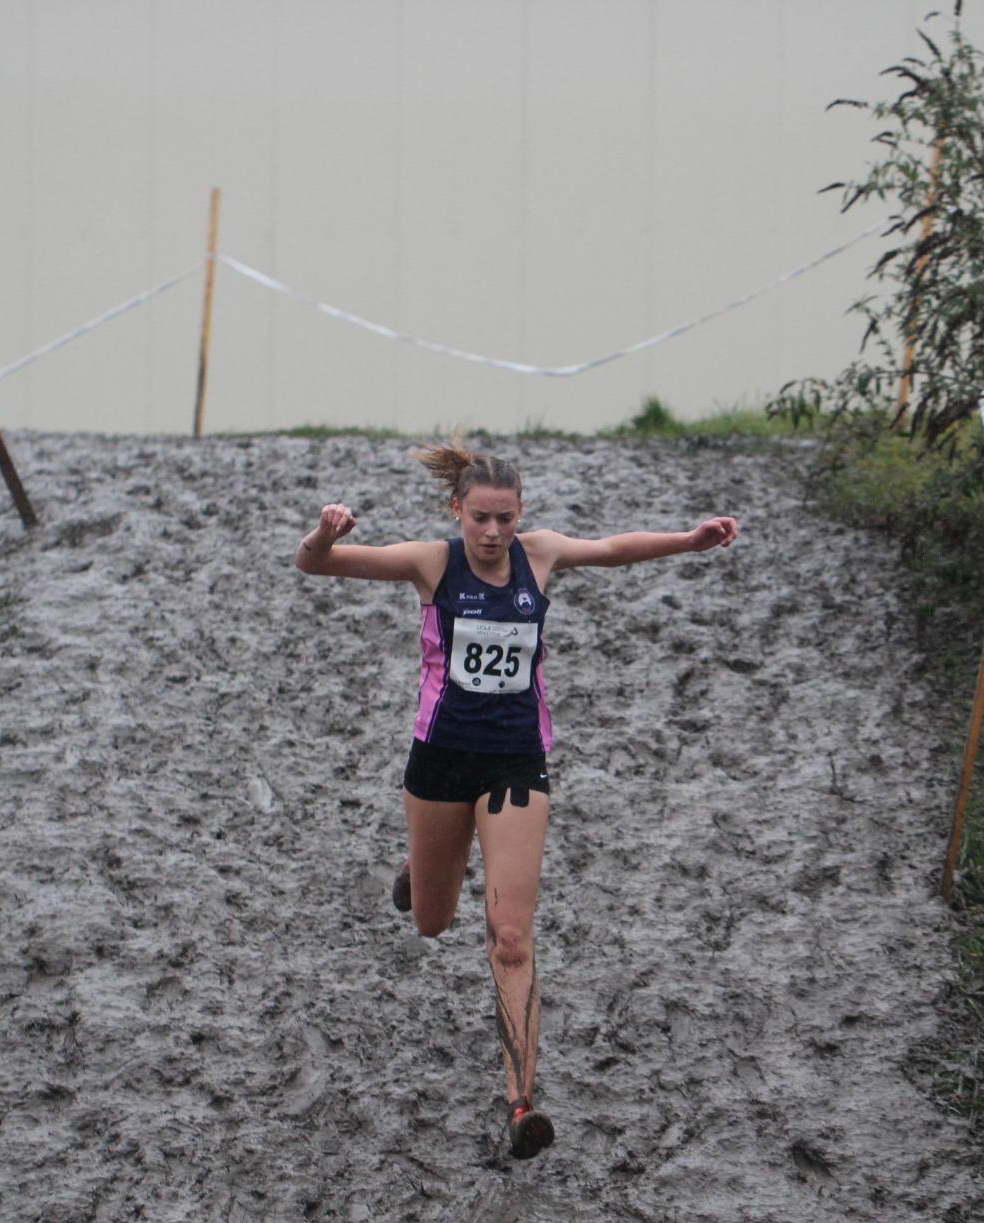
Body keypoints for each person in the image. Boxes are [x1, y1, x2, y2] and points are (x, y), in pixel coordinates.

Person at [293, 440, 738, 1159]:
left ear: (521, 513)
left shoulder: (541, 555)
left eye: (505, 518)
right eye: (480, 518)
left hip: (516, 763)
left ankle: (522, 1102)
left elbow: (614, 550)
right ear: (457, 511)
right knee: (433, 922)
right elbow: (316, 565)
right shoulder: (431, 563)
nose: (493, 533)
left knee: (510, 937)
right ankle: (420, 868)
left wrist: (689, 541)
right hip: (440, 762)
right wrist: (325, 532)